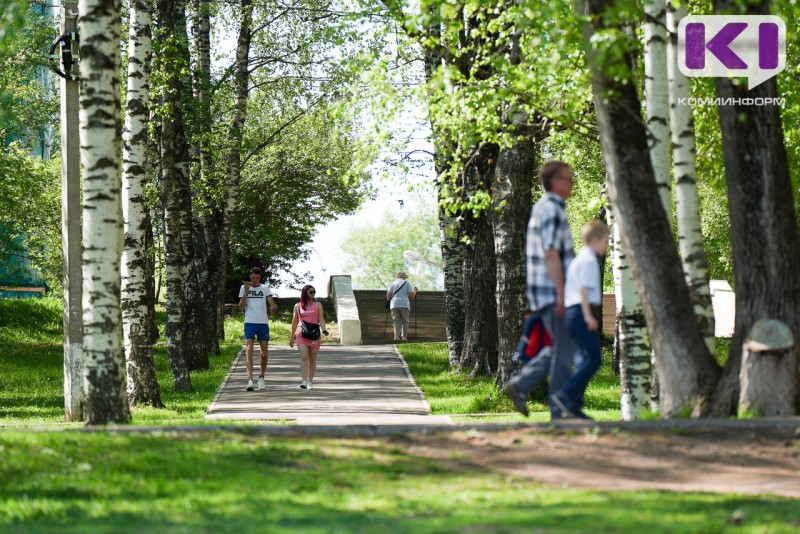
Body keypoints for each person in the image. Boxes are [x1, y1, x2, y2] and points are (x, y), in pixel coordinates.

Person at [503, 160, 579, 418]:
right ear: (555, 182)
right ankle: (559, 410)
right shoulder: (551, 210)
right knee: (566, 349)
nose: (572, 183)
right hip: (551, 292)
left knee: (562, 347)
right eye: (568, 178)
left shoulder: (545, 208)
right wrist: (561, 293)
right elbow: (551, 253)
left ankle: (522, 385)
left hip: (545, 291)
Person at [551, 221, 610, 419]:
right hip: (579, 311)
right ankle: (566, 394)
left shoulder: (581, 259)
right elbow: (583, 289)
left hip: (572, 311)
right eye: (605, 241)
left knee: (583, 359)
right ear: (594, 240)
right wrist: (588, 316)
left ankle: (573, 406)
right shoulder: (588, 260)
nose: (606, 245)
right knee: (594, 359)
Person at [238, 267, 277, 391]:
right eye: (253, 277)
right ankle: (250, 380)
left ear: (260, 277)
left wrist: (273, 306)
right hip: (249, 322)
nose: (254, 280)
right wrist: (245, 293)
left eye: (257, 278)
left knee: (264, 352)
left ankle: (261, 377)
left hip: (262, 323)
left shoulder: (265, 288)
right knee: (249, 350)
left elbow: (271, 302)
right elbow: (240, 307)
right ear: (250, 276)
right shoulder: (243, 288)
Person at [289, 285, 329, 389]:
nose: (313, 294)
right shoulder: (297, 306)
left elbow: (321, 319)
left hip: (314, 334)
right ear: (305, 293)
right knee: (304, 357)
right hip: (302, 334)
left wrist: (324, 329)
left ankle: (310, 381)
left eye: (314, 292)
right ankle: (304, 381)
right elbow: (294, 322)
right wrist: (291, 336)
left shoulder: (318, 305)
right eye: (311, 292)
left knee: (312, 359)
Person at [386, 272, 418, 341]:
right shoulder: (407, 283)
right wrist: (415, 291)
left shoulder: (393, 283)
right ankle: (404, 337)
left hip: (394, 304)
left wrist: (391, 300)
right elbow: (412, 295)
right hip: (404, 304)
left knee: (396, 321)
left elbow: (388, 295)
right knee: (405, 321)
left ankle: (396, 336)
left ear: (398, 277)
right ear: (405, 277)